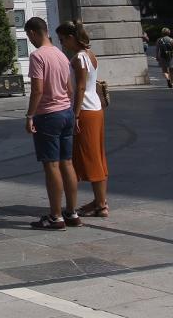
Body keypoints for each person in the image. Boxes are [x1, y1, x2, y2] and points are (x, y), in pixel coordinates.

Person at [23, 16, 78, 230]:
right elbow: (69, 88)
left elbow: (37, 89)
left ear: (33, 33)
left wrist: (29, 116)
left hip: (47, 115)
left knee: (52, 166)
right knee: (67, 162)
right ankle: (72, 212)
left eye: (29, 36)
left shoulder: (38, 56)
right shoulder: (61, 54)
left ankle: (56, 216)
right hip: (66, 112)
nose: (30, 40)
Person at [57, 20, 108, 218]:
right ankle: (99, 201)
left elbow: (79, 88)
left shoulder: (79, 58)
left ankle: (101, 204)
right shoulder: (90, 55)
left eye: (63, 40)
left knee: (90, 157)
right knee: (97, 155)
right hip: (96, 109)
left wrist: (75, 114)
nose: (62, 44)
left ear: (71, 38)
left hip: (85, 110)